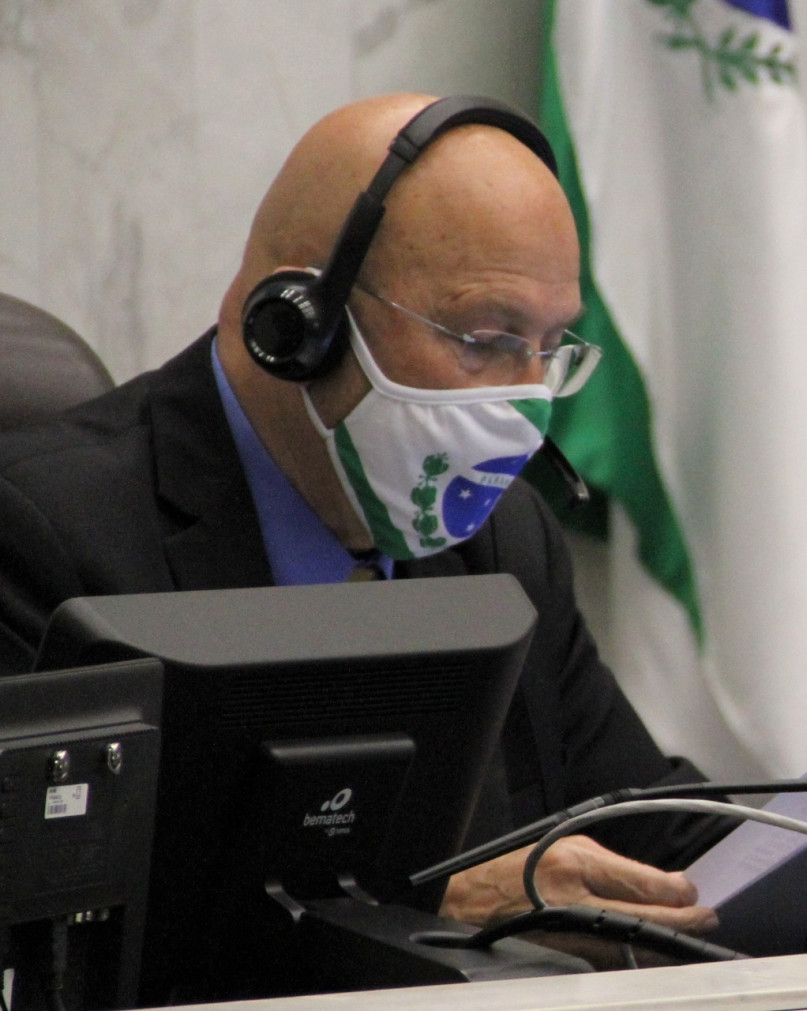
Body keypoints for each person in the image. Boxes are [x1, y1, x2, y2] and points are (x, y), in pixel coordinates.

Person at [0, 94, 724, 978]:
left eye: (550, 348)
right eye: (486, 338)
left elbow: (651, 836)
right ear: (295, 324)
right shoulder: (38, 536)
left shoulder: (505, 538)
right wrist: (418, 905)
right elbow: (49, 944)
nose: (523, 404)